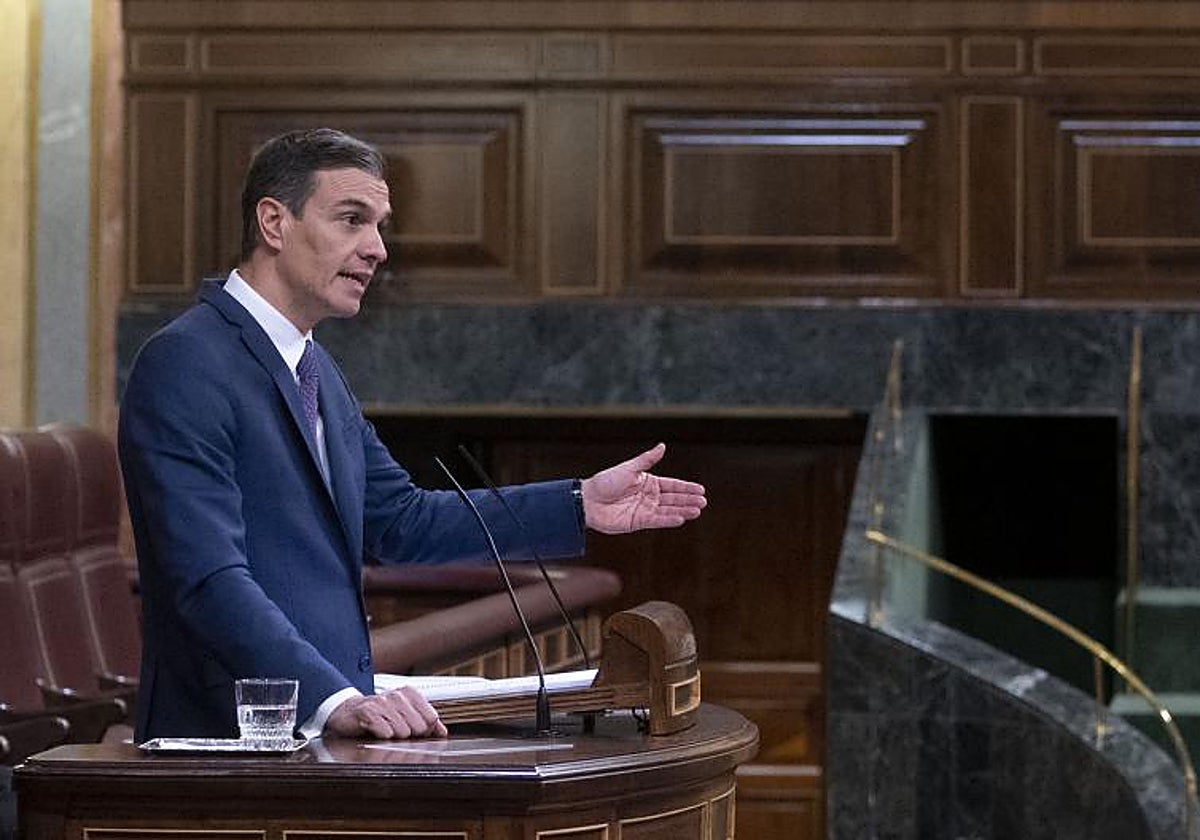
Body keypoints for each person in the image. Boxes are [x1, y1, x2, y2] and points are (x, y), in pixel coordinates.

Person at [118, 127, 706, 744]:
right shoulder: (188, 362)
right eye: (351, 219)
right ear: (274, 222)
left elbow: (399, 520)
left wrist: (580, 503)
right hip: (225, 749)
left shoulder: (312, 366)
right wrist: (334, 699)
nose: (376, 249)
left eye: (379, 226)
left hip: (321, 745)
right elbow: (207, 577)